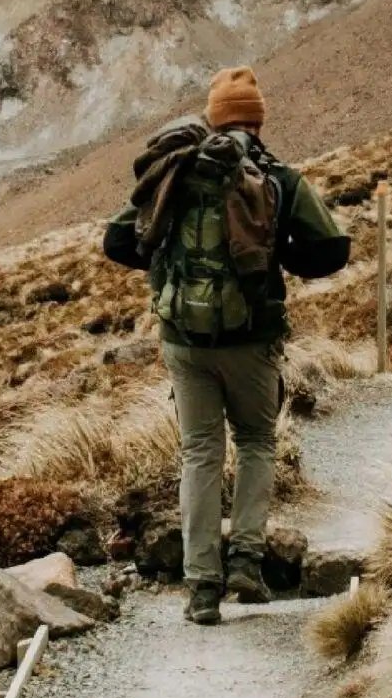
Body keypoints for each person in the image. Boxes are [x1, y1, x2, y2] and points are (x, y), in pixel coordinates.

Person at [104, 65, 352, 625]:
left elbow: (117, 241)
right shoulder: (278, 177)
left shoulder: (178, 169)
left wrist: (169, 260)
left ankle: (200, 587)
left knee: (200, 453)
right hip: (253, 341)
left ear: (215, 120)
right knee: (259, 441)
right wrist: (275, 254)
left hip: (184, 343)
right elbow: (333, 251)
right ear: (259, 120)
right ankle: (245, 560)